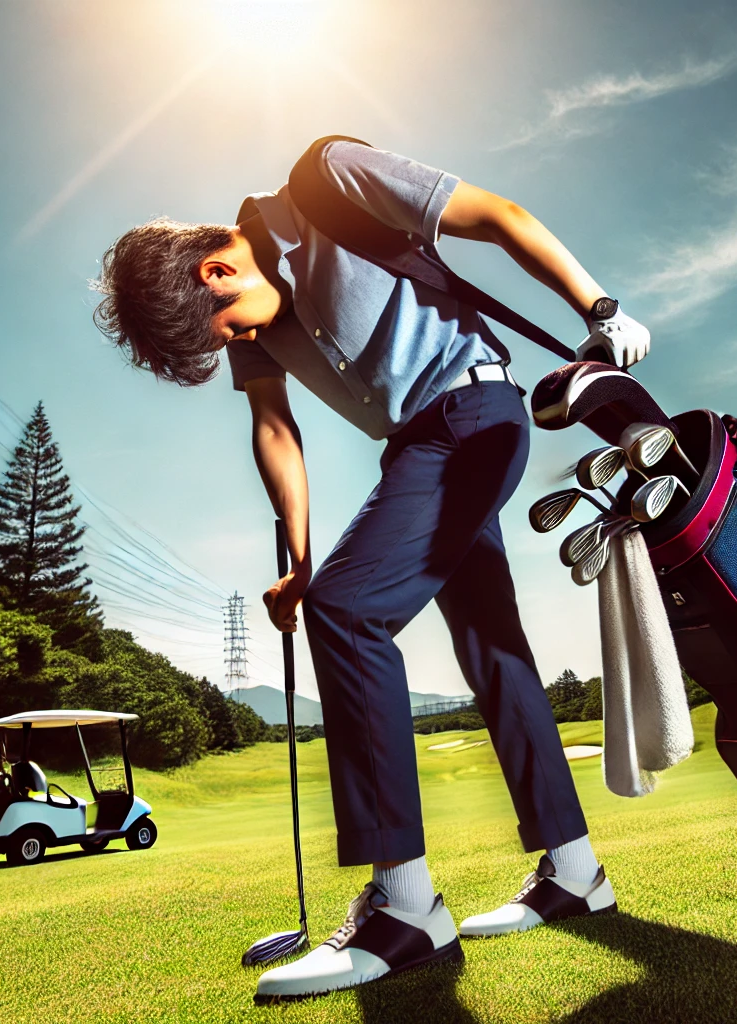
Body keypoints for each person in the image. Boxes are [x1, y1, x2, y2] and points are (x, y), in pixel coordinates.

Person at [93, 140, 650, 1002]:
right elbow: (276, 430)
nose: (241, 342)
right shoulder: (253, 322)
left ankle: (405, 909)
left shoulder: (331, 179)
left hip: (474, 411)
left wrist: (600, 309)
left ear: (215, 271)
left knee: (349, 614)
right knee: (490, 650)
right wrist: (302, 560)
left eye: (227, 330)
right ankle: (576, 873)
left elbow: (498, 217)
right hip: (419, 448)